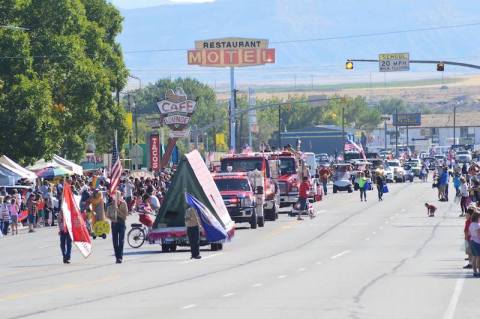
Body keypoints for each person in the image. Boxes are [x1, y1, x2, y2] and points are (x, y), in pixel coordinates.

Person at [108, 191, 128, 264]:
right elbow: (108, 215)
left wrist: (117, 210)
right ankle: (117, 257)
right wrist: (112, 219)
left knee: (121, 241)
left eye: (116, 196)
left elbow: (125, 215)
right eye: (114, 196)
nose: (115, 198)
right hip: (114, 224)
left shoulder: (123, 204)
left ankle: (120, 257)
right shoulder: (111, 205)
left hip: (121, 223)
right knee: (115, 241)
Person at [468, 212, 480, 277]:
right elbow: (479, 235)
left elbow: (469, 233)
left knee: (474, 257)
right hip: (477, 242)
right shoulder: (478, 225)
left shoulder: (471, 224)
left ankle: (475, 272)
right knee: (478, 257)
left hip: (472, 241)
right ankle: (479, 271)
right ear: (478, 218)